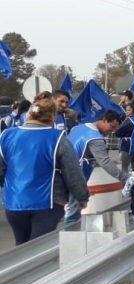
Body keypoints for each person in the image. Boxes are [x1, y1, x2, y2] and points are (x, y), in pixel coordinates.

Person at [0, 99, 89, 244]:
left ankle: (23, 267)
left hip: (14, 201)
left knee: (21, 247)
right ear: (53, 116)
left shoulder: (7, 135)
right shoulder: (58, 138)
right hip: (47, 202)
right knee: (37, 249)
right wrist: (82, 196)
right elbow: (72, 172)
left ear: (29, 114)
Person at [66, 110, 127, 223]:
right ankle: (72, 236)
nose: (112, 131)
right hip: (77, 178)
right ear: (104, 120)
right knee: (72, 213)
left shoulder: (79, 128)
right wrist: (124, 177)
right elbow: (105, 162)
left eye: (115, 129)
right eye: (112, 126)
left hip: (65, 173)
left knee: (69, 208)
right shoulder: (95, 138)